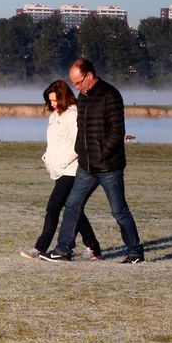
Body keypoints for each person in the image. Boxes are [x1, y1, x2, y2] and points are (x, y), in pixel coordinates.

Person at [40, 58, 145, 263]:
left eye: (79, 82)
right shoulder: (83, 96)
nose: (76, 87)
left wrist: (101, 154)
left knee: (119, 211)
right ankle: (63, 250)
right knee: (71, 205)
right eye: (73, 83)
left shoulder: (110, 95)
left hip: (109, 166)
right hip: (86, 166)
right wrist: (81, 149)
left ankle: (135, 252)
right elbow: (82, 129)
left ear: (89, 75)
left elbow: (116, 132)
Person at [21, 80, 102, 260]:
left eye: (55, 100)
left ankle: (40, 247)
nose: (52, 104)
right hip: (58, 170)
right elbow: (55, 143)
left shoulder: (72, 115)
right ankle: (93, 248)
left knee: (53, 208)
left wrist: (63, 163)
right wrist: (48, 158)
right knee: (73, 209)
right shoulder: (54, 116)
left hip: (71, 170)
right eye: (50, 101)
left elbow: (78, 144)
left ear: (64, 97)